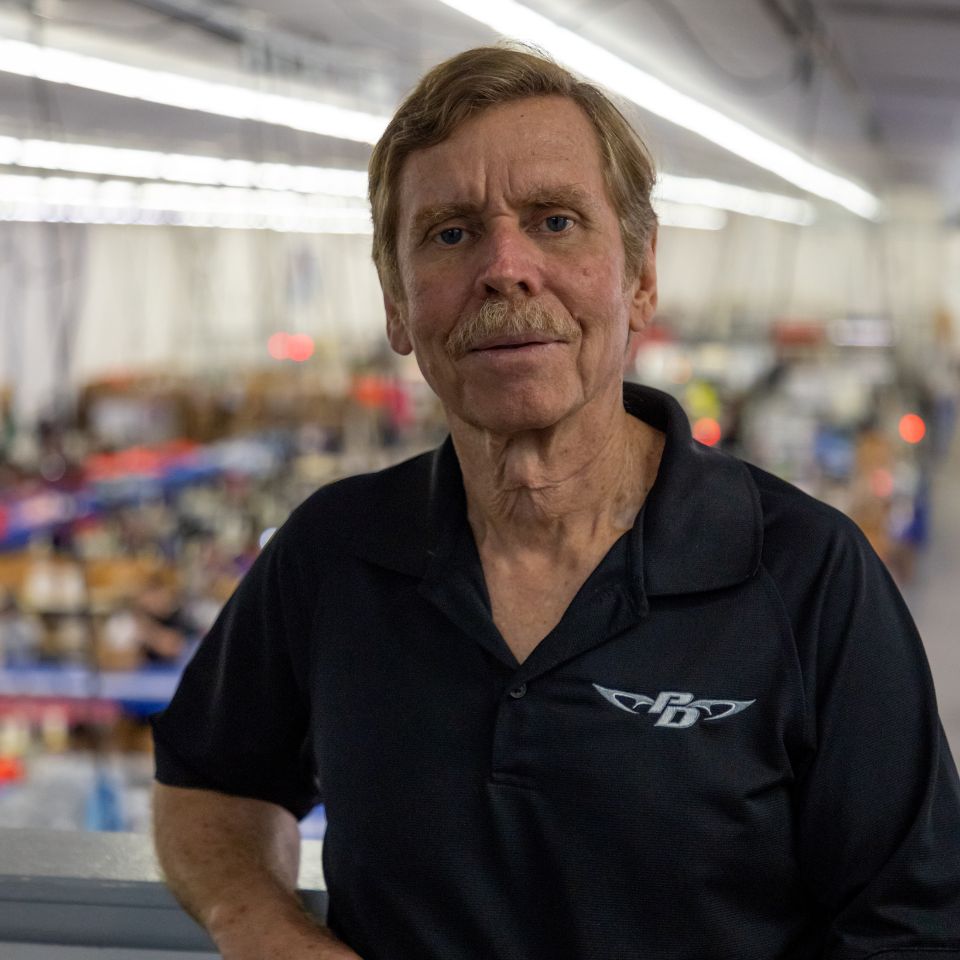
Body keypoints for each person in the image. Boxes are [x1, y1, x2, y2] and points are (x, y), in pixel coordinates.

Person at [151, 44, 960, 960]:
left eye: (556, 221)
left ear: (640, 276)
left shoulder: (807, 573)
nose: (506, 268)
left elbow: (914, 926)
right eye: (450, 232)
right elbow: (207, 781)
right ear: (396, 301)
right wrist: (266, 931)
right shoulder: (332, 554)